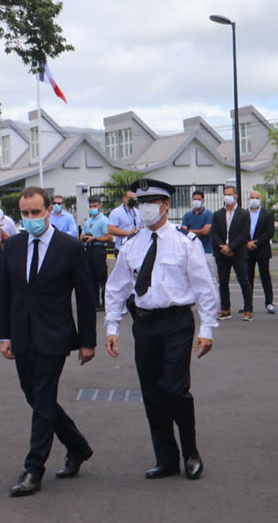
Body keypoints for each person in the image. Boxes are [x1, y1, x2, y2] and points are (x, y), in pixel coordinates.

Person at [105, 178, 217, 480]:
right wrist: (111, 326)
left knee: (175, 389)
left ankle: (190, 451)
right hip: (144, 324)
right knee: (152, 393)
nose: (144, 209)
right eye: (139, 203)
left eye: (150, 203)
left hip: (176, 322)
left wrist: (207, 327)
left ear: (165, 205)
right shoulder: (132, 244)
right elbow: (116, 288)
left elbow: (205, 287)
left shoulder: (185, 241)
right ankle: (165, 458)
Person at [0, 186, 97, 497]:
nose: (30, 219)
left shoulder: (69, 247)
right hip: (22, 334)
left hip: (55, 335)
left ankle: (33, 468)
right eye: (25, 214)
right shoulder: (12, 246)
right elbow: (6, 294)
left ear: (49, 211)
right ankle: (78, 446)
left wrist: (87, 341)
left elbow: (85, 295)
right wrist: (5, 335)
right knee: (36, 398)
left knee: (42, 396)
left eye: (35, 213)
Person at [212, 185, 251, 321]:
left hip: (238, 252)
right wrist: (222, 246)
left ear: (236, 196)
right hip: (222, 252)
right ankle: (225, 308)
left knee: (244, 281)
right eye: (225, 194)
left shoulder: (243, 214)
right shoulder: (218, 214)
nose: (227, 197)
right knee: (223, 282)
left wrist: (231, 247)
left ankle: (248, 309)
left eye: (229, 194)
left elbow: (244, 234)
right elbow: (214, 232)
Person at [80, 196, 112, 310]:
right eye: (90, 206)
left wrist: (95, 238)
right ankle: (95, 302)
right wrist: (84, 237)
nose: (92, 208)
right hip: (89, 250)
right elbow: (82, 235)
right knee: (90, 277)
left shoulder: (104, 220)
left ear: (100, 206)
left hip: (99, 249)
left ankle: (104, 302)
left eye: (95, 206)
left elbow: (109, 237)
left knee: (101, 278)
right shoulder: (88, 221)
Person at [245, 190, 274, 315]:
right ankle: (247, 304)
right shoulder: (244, 214)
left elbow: (269, 232)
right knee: (248, 278)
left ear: (260, 199)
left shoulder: (267, 214)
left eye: (256, 197)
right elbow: (240, 231)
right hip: (247, 250)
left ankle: (269, 302)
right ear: (248, 199)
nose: (254, 200)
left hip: (262, 250)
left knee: (265, 277)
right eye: (252, 197)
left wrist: (256, 243)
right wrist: (247, 243)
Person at [179, 190, 216, 286]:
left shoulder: (208, 214)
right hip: (191, 251)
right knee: (192, 277)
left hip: (206, 250)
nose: (196, 201)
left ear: (203, 200)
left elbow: (206, 231)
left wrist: (191, 231)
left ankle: (215, 298)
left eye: (198, 199)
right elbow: (183, 232)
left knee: (210, 276)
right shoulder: (187, 215)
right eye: (194, 199)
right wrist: (198, 232)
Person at [107, 189, 141, 254]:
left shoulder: (137, 212)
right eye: (131, 198)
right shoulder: (116, 212)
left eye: (134, 199)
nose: (133, 201)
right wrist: (129, 233)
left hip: (135, 248)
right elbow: (111, 229)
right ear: (124, 198)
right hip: (121, 248)